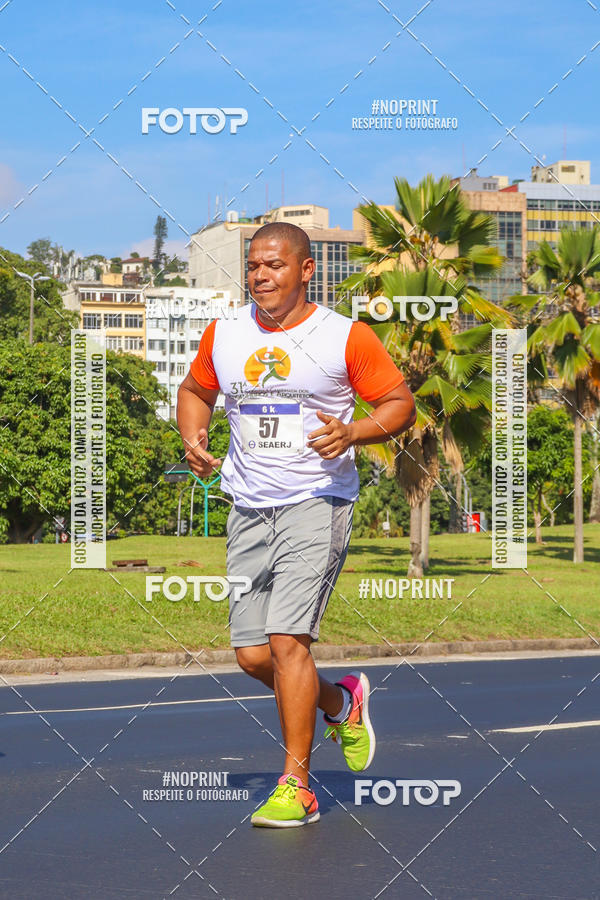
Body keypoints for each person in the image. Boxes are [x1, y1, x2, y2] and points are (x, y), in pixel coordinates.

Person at [177, 222, 416, 828]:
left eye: (275, 265)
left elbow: (398, 402)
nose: (261, 275)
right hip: (247, 503)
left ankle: (297, 785)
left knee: (288, 642)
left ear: (307, 271)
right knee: (253, 655)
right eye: (254, 265)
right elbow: (194, 389)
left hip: (318, 499)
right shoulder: (225, 332)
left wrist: (355, 430)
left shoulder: (343, 337)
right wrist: (192, 434)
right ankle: (341, 702)